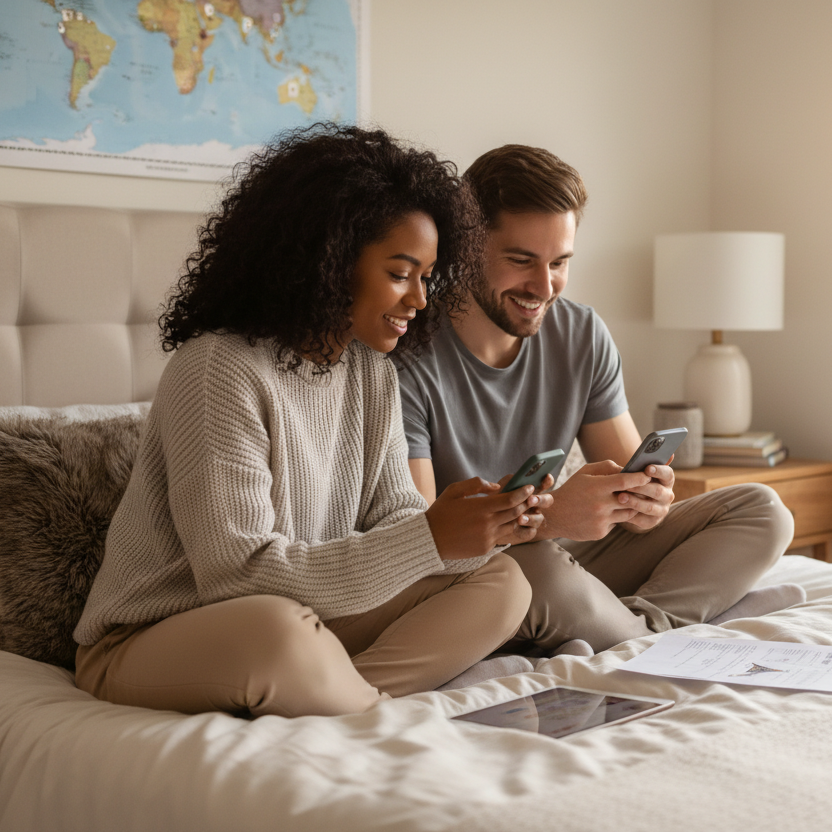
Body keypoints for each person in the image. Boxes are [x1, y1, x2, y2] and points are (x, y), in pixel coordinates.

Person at [73, 125, 546, 719]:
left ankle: (349, 698)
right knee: (277, 631)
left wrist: (473, 528)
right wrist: (428, 540)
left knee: (501, 582)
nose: (420, 300)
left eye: (427, 277)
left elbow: (393, 518)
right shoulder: (219, 368)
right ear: (328, 259)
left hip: (308, 618)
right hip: (158, 636)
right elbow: (235, 575)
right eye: (401, 273)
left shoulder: (370, 371)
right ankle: (369, 709)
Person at [397, 143, 798, 657]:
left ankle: (638, 629)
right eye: (521, 261)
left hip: (572, 558)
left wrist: (646, 500)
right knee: (535, 569)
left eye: (560, 262)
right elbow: (424, 542)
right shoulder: (407, 356)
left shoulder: (581, 333)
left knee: (763, 510)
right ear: (465, 247)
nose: (544, 286)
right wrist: (552, 518)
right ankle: (635, 641)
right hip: (486, 572)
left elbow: (629, 487)